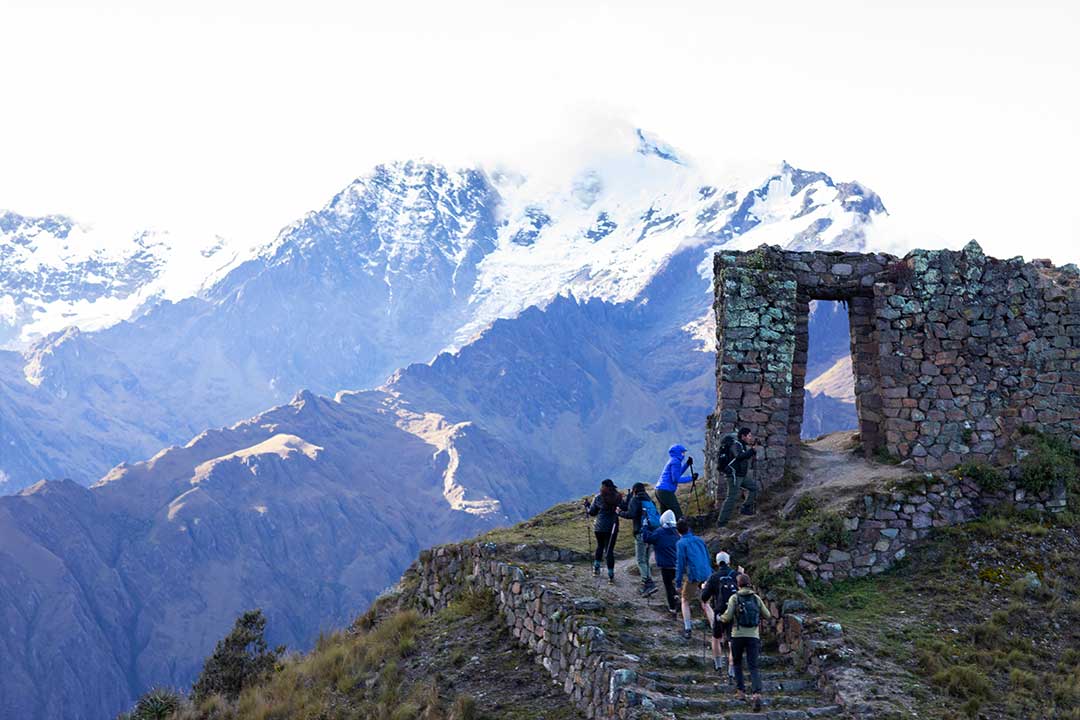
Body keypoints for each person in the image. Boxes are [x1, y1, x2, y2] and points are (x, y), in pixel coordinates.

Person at [718, 573, 772, 712]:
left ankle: (741, 692)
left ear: (738, 584)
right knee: (753, 666)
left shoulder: (734, 598)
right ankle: (756, 694)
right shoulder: (756, 598)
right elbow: (768, 615)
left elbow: (728, 616)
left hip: (737, 635)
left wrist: (720, 618)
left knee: (737, 663)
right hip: (753, 636)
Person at [700, 551, 740, 681]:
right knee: (732, 641)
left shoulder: (714, 577)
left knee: (716, 637)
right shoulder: (736, 575)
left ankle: (718, 665)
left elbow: (704, 597)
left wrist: (704, 587)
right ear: (729, 561)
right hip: (735, 612)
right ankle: (732, 670)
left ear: (717, 563)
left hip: (720, 611)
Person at [618, 482, 660, 596]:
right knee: (646, 559)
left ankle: (648, 583)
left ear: (634, 490)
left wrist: (619, 512)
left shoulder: (635, 500)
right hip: (652, 533)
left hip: (641, 533)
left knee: (640, 560)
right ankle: (647, 582)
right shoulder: (650, 501)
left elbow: (631, 514)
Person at [674, 518, 712, 640]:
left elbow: (680, 564)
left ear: (678, 531)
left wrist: (678, 582)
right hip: (707, 573)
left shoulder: (681, 543)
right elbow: (707, 555)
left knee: (685, 600)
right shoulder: (699, 540)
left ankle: (688, 628)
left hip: (693, 575)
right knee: (706, 603)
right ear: (688, 528)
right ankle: (715, 629)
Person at [584, 479, 627, 583]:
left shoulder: (598, 497)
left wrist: (588, 506)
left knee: (600, 546)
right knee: (609, 551)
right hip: (612, 526)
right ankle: (611, 575)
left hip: (599, 527)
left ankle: (596, 568)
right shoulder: (618, 497)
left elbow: (592, 512)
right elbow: (624, 508)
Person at [717, 428, 760, 526]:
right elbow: (739, 456)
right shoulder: (736, 445)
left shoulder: (742, 445)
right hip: (734, 476)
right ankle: (721, 522)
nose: (750, 438)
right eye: (749, 436)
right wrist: (752, 451)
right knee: (731, 498)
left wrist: (752, 451)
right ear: (743, 436)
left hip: (741, 475)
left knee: (754, 488)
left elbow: (742, 457)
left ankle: (745, 507)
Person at [642, 510, 680, 614]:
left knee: (668, 585)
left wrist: (645, 526)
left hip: (665, 565)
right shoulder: (677, 532)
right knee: (673, 583)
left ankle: (672, 608)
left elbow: (647, 538)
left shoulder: (660, 532)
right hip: (677, 564)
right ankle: (676, 596)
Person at [655, 444, 697, 519]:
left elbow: (677, 473)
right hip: (666, 491)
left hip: (659, 490)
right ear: (678, 452)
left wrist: (687, 464)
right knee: (677, 513)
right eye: (682, 452)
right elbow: (676, 479)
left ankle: (664, 529)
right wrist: (691, 478)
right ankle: (682, 529)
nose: (684, 454)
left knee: (665, 515)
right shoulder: (676, 462)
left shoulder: (673, 460)